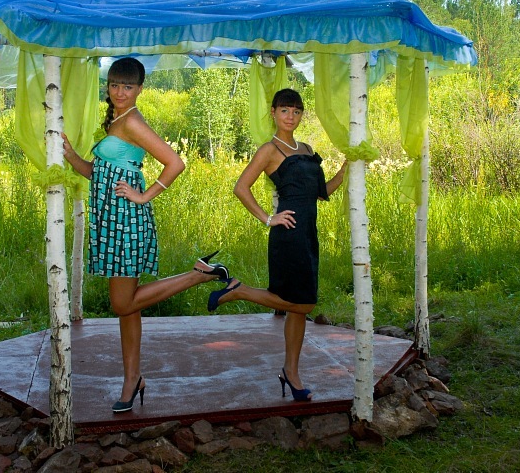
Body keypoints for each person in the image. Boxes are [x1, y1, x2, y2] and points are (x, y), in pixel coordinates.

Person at [62, 57, 229, 413]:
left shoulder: (133, 121)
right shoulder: (118, 119)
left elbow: (175, 162)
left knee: (123, 304)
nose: (119, 92)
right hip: (112, 219)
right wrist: (71, 156)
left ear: (139, 89)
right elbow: (99, 172)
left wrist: (143, 195)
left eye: (127, 86)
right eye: (114, 85)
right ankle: (132, 379)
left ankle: (198, 275)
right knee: (129, 309)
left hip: (125, 220)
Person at [207, 88, 346, 402]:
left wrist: (345, 170)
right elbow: (241, 188)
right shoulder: (269, 150)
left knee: (297, 307)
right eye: (285, 110)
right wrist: (268, 218)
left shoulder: (307, 148)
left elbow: (321, 193)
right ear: (273, 113)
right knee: (303, 304)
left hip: (308, 233)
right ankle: (240, 290)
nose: (290, 117)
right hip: (288, 234)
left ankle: (291, 373)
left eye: (296, 111)